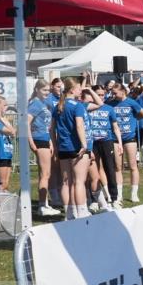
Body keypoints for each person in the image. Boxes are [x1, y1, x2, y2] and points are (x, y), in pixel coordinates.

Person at [51, 79, 91, 220]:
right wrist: (84, 145)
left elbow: (52, 129)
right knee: (79, 181)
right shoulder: (77, 106)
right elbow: (79, 126)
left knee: (66, 182)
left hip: (63, 148)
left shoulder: (58, 106)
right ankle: (81, 212)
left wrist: (55, 146)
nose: (81, 90)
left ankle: (69, 213)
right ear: (72, 90)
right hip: (76, 147)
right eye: (79, 88)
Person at [84, 88, 122, 210]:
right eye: (98, 95)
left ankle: (114, 198)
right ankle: (94, 199)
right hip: (92, 143)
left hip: (107, 141)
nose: (101, 97)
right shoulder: (87, 107)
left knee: (110, 169)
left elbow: (115, 127)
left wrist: (120, 143)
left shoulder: (109, 109)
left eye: (102, 95)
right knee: (92, 172)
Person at [107, 84, 143, 203]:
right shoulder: (110, 103)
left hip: (130, 138)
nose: (113, 95)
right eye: (112, 93)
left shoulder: (131, 102)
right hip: (115, 139)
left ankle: (134, 193)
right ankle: (119, 194)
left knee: (133, 166)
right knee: (118, 167)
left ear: (123, 91)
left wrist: (134, 119)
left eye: (115, 93)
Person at [27, 80, 59, 216]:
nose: (47, 93)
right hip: (39, 140)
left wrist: (51, 141)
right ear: (37, 89)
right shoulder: (35, 104)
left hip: (45, 139)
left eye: (48, 91)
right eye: (44, 90)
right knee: (45, 174)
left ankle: (44, 203)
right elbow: (25, 123)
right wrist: (31, 142)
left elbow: (47, 126)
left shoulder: (43, 104)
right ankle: (42, 206)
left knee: (45, 174)